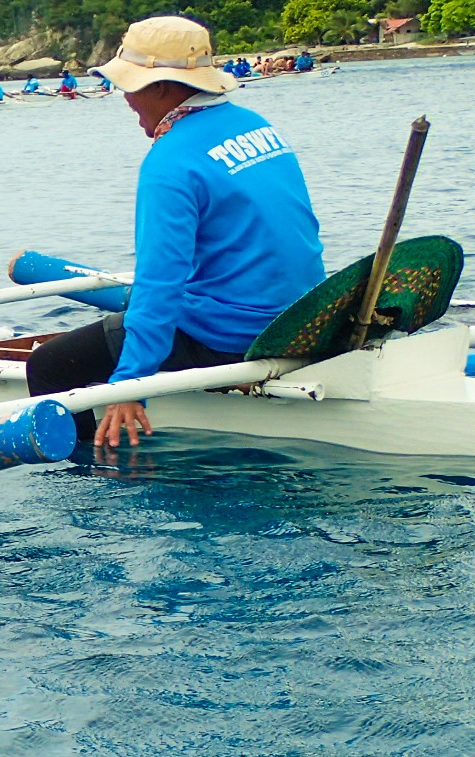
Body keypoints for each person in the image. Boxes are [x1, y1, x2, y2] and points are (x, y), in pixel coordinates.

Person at [24, 15, 324, 450]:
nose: (125, 98)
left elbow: (161, 283)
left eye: (129, 86)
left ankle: (90, 480)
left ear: (161, 86)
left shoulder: (170, 163)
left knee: (50, 365)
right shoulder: (257, 126)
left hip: (231, 334)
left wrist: (127, 385)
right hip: (301, 314)